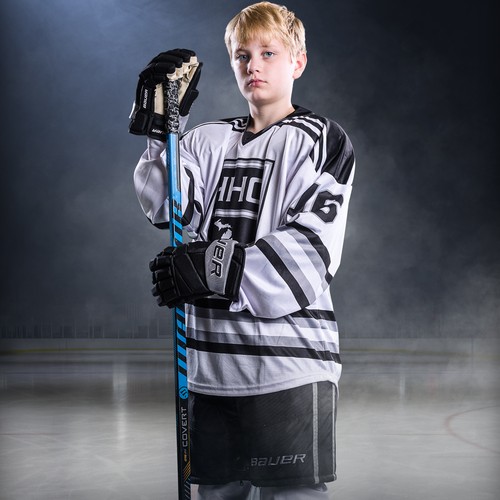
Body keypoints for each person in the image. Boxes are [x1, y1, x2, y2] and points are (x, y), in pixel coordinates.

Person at [129, 2, 355, 498]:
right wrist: (160, 135)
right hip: (209, 371)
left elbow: (311, 254)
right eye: (242, 55)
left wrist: (212, 270)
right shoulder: (206, 139)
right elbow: (167, 207)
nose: (253, 65)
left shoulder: (320, 139)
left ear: (298, 62)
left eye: (268, 53)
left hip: (288, 370)